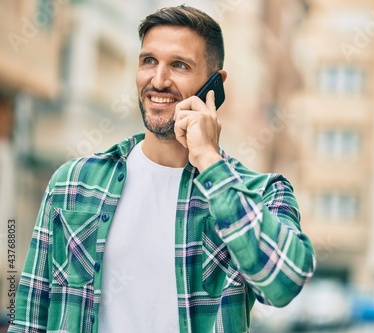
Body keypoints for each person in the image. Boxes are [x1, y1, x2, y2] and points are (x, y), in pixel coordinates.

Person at [8, 5, 316, 333]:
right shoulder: (73, 184)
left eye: (179, 65)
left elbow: (284, 284)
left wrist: (210, 162)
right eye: (148, 61)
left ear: (215, 83)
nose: (158, 80)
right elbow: (29, 320)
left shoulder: (262, 193)